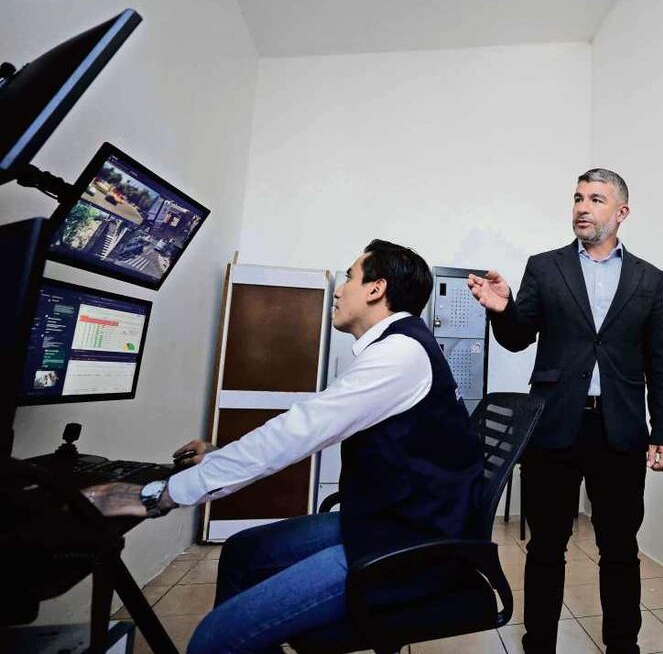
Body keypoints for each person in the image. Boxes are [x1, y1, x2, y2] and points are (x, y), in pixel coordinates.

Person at [82, 240, 484, 654]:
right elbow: (305, 424)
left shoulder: (400, 353)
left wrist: (161, 495)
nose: (340, 288)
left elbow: (299, 432)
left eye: (349, 276)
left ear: (375, 289)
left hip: (405, 546)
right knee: (242, 552)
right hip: (385, 521)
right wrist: (220, 456)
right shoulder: (398, 348)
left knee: (214, 638)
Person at [467, 168, 663, 654]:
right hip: (554, 428)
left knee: (620, 550)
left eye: (596, 199)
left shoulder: (649, 278)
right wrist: (501, 310)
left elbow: (660, 360)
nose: (582, 207)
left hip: (620, 430)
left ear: (621, 212)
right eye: (578, 197)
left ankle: (623, 645)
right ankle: (538, 642)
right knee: (545, 548)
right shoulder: (545, 267)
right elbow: (519, 337)